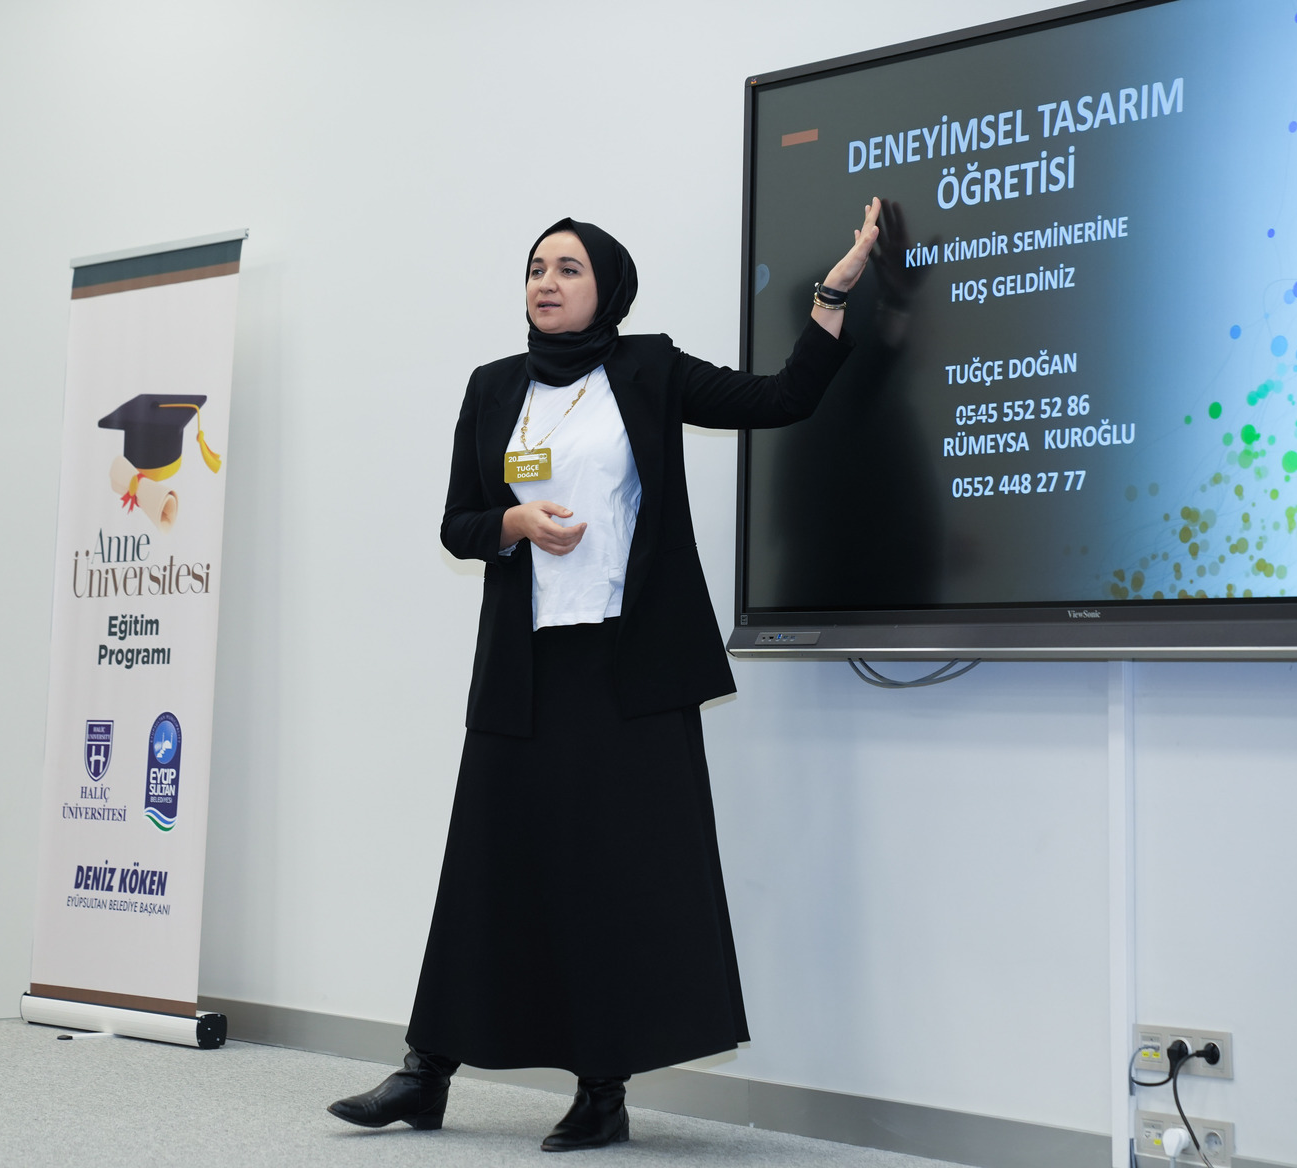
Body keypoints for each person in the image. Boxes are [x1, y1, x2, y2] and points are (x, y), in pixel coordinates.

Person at [328, 199, 882, 1153]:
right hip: (525, 671)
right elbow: (460, 524)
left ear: (609, 287)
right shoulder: (494, 386)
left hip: (628, 670)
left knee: (615, 878)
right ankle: (425, 1073)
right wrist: (513, 524)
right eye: (536, 268)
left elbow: (781, 399)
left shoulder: (648, 369)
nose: (545, 282)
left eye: (568, 268)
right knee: (486, 867)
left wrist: (832, 296)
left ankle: (601, 1091)